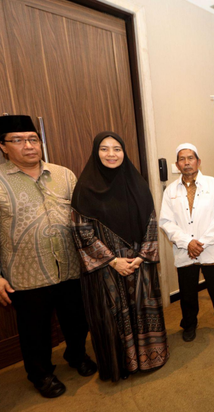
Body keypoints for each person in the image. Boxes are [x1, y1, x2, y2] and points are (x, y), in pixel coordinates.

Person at [0, 115, 96, 398]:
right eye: (18, 140)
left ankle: (76, 355)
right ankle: (41, 374)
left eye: (33, 139)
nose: (28, 146)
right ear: (2, 146)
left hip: (71, 267)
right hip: (25, 273)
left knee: (77, 320)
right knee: (34, 330)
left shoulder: (64, 174)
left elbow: (82, 217)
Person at [70, 132, 168, 382]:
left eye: (117, 149)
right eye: (104, 149)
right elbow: (81, 231)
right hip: (107, 268)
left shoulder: (137, 183)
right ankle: (123, 365)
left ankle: (150, 357)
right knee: (114, 315)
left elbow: (151, 220)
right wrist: (113, 260)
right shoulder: (84, 188)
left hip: (139, 263)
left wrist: (143, 255)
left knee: (143, 308)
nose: (111, 154)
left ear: (124, 153)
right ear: (96, 152)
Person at [159, 143, 214, 342]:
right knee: (188, 292)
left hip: (211, 248)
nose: (187, 163)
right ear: (177, 164)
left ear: (198, 161)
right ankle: (189, 323)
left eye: (190, 158)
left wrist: (200, 243)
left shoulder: (213, 185)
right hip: (186, 251)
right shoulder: (170, 191)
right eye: (182, 159)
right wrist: (187, 243)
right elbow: (166, 221)